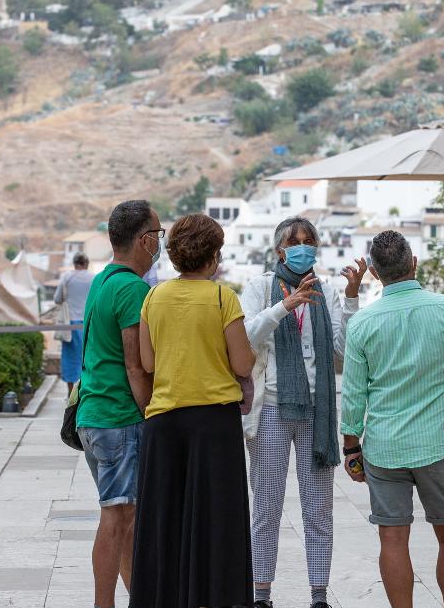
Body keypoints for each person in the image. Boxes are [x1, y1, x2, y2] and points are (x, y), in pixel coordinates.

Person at [340, 231, 444, 608]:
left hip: (385, 448)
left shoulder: (362, 324)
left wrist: (351, 448)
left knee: (392, 539)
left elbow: (355, 394)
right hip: (439, 442)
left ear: (373, 273)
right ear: (414, 263)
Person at [240, 217, 367, 608]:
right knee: (266, 505)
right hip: (272, 410)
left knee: (318, 508)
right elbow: (245, 337)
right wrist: (284, 306)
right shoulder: (260, 286)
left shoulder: (325, 291)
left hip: (317, 410)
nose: (302, 246)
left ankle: (318, 594)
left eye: (309, 240)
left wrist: (350, 297)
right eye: (294, 241)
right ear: (280, 249)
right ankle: (261, 593)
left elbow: (343, 349)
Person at [130, 213, 255, 608]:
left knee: (165, 522)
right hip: (214, 424)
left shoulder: (153, 297)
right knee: (218, 523)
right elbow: (243, 364)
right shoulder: (222, 298)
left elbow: (148, 363)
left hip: (164, 422)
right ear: (213, 255)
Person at [75, 200, 162, 608]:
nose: (160, 243)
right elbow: (135, 365)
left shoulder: (102, 280)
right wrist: (152, 413)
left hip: (93, 416)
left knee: (126, 521)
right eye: (158, 235)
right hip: (119, 418)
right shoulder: (132, 288)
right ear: (144, 240)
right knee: (117, 518)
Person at [55, 252, 93, 395]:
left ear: (74, 263)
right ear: (86, 263)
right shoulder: (93, 278)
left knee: (70, 360)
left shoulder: (67, 277)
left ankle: (71, 395)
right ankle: (86, 393)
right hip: (89, 324)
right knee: (88, 360)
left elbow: (57, 299)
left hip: (70, 324)